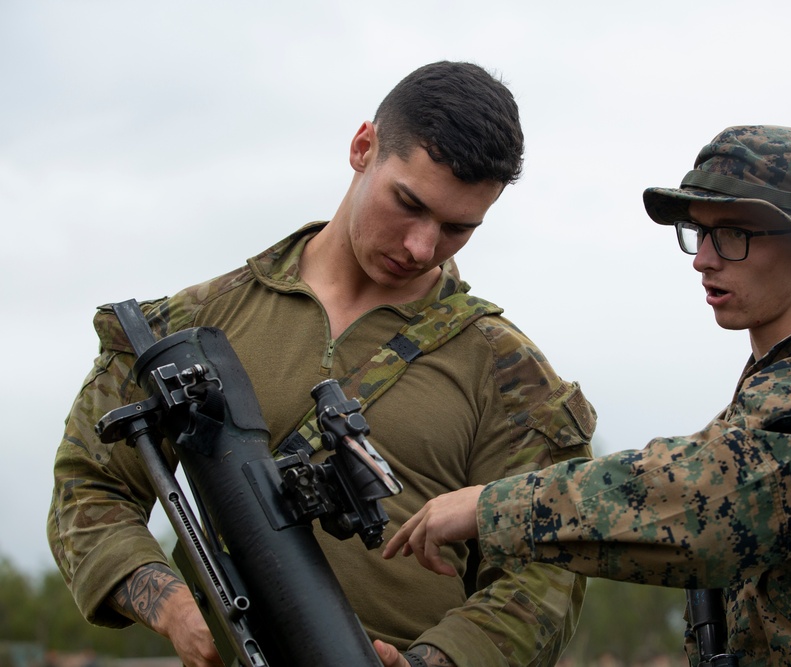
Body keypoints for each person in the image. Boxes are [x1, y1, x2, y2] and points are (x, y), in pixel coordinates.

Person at [46, 61, 596, 667]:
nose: (422, 246)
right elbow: (88, 486)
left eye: (457, 229)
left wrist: (435, 662)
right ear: (364, 148)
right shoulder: (190, 326)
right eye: (408, 204)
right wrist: (176, 609)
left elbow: (546, 568)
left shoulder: (509, 373)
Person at [385, 125, 791, 665]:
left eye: (733, 235)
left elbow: (715, 503)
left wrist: (491, 507)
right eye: (699, 232)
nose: (704, 257)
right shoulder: (775, 384)